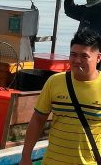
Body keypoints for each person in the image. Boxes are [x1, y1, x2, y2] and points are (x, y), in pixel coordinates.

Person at [19, 28, 101, 164]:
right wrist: (26, 155)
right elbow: (38, 119)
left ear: (98, 58)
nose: (77, 60)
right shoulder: (55, 82)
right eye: (73, 55)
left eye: (84, 56)